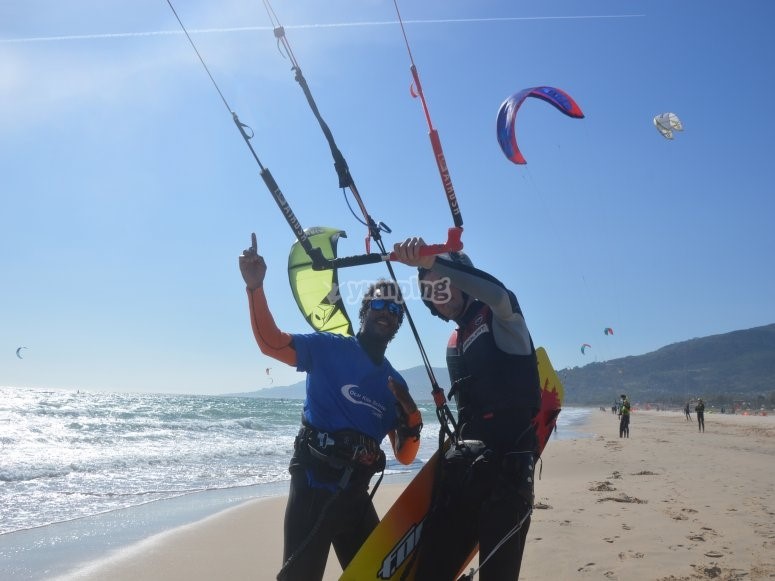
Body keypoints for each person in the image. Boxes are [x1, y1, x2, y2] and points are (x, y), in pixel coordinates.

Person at [239, 233, 423, 581]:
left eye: (395, 309)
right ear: (365, 310)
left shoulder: (394, 385)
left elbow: (405, 455)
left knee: (384, 576)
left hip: (354, 498)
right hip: (313, 489)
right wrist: (255, 287)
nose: (387, 312)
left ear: (399, 323)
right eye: (380, 305)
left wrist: (412, 417)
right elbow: (270, 343)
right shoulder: (329, 349)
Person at [392, 238, 541, 581]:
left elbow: (499, 294)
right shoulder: (456, 344)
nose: (439, 296)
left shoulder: (502, 318)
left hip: (508, 484)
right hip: (465, 479)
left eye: (443, 285)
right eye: (430, 292)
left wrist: (433, 263)